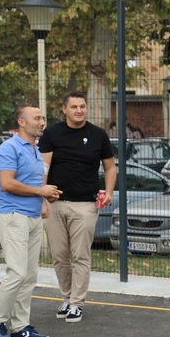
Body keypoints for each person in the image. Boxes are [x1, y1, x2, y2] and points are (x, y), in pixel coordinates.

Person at [0, 105, 62, 337]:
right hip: (13, 216)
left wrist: (44, 200)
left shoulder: (35, 149)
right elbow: (7, 183)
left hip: (32, 216)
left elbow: (33, 182)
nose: (42, 122)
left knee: (29, 275)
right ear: (21, 122)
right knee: (17, 272)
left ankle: (20, 327)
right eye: (37, 118)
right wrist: (41, 192)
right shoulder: (8, 148)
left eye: (43, 118)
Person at [39, 91, 117, 323]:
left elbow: (110, 167)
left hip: (85, 205)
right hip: (55, 204)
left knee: (81, 255)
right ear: (64, 109)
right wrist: (42, 198)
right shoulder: (52, 133)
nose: (79, 110)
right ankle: (67, 297)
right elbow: (43, 168)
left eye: (82, 106)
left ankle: (76, 303)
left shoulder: (98, 135)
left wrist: (109, 192)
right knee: (59, 256)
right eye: (74, 107)